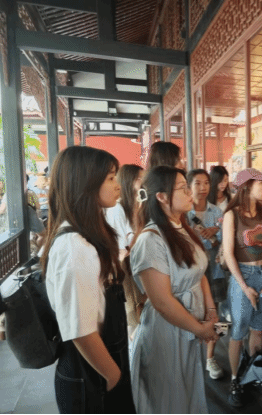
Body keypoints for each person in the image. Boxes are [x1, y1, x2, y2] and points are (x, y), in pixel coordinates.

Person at [41, 146, 135, 414]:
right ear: (86, 184)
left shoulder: (86, 236)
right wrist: (113, 376)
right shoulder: (74, 246)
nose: (118, 186)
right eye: (111, 178)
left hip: (99, 366)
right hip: (90, 375)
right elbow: (81, 331)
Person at [129, 165, 219, 414]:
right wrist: (199, 329)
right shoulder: (151, 240)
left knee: (188, 388)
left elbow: (198, 273)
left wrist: (211, 310)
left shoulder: (182, 227)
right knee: (170, 396)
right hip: (168, 328)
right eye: (183, 188)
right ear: (161, 196)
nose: (191, 193)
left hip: (190, 322)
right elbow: (162, 302)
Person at [222, 168, 262, 407]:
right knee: (238, 330)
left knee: (259, 330)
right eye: (260, 184)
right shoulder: (231, 215)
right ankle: (235, 379)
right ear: (246, 187)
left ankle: (255, 372)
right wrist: (244, 287)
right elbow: (228, 253)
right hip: (242, 276)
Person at [187, 169, 225, 380]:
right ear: (189, 186)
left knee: (216, 314)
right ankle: (192, 354)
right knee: (192, 309)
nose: (203, 188)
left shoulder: (217, 212)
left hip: (214, 268)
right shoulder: (184, 213)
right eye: (197, 183)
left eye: (206, 183)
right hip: (192, 268)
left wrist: (215, 236)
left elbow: (225, 244)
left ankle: (211, 356)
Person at [105, 164, 146, 337]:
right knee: (133, 317)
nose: (144, 182)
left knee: (140, 315)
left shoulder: (136, 207)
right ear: (130, 181)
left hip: (137, 267)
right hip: (125, 270)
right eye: (140, 179)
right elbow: (123, 250)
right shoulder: (117, 208)